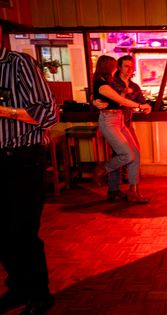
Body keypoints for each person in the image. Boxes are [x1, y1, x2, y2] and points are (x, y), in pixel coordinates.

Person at [0, 25, 57, 314]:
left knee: (22, 231)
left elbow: (48, 113)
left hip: (21, 158)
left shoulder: (18, 64)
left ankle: (39, 294)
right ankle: (19, 287)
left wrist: (4, 110)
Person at [93, 55, 152, 203]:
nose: (130, 69)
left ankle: (133, 191)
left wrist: (144, 106)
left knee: (134, 154)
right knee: (125, 155)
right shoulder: (108, 83)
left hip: (123, 121)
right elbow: (120, 101)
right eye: (126, 66)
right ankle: (103, 172)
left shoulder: (124, 84)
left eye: (132, 66)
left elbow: (120, 101)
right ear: (115, 67)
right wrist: (94, 101)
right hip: (110, 121)